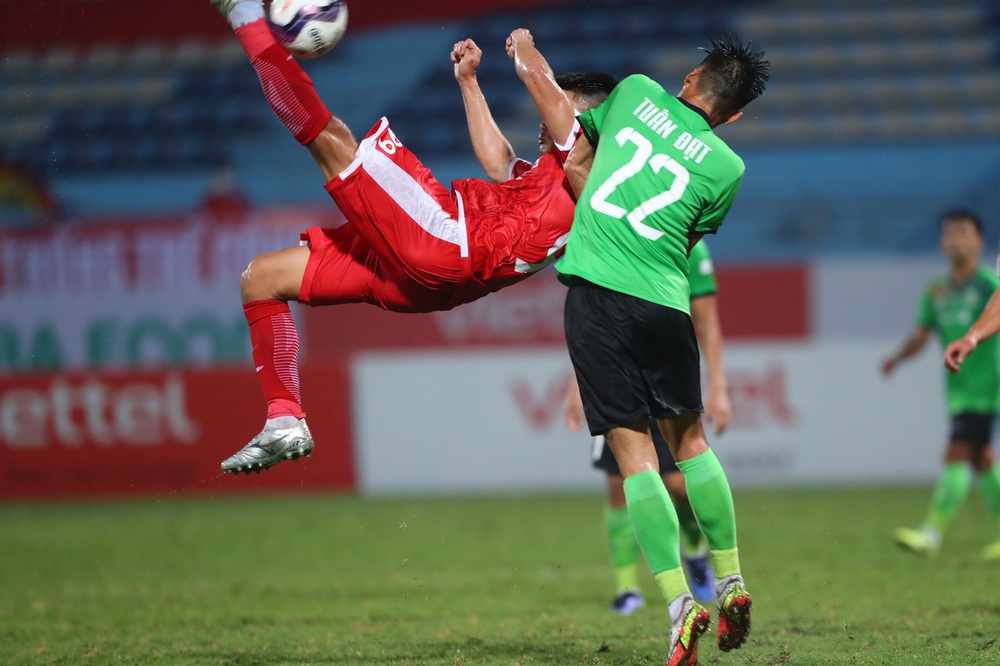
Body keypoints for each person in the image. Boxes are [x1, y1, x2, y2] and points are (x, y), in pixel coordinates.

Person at [209, 1, 617, 475]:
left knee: (327, 137)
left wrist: (523, 45)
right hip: (434, 280)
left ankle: (241, 15)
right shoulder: (554, 185)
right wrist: (469, 83)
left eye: (561, 110)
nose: (546, 123)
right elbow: (498, 163)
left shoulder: (587, 170)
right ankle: (284, 418)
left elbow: (540, 83)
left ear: (587, 122)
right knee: (260, 279)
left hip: (447, 242)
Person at [557, 36, 768, 664]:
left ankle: (680, 604)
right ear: (733, 115)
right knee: (692, 444)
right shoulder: (730, 168)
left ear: (691, 76)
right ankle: (730, 579)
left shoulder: (636, 91)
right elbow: (688, 234)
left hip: (598, 294)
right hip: (666, 303)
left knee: (634, 459)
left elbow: (571, 153)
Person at [564, 239, 730, 615]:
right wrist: (578, 385)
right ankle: (627, 588)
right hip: (617, 373)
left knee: (678, 487)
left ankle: (694, 548)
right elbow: (594, 318)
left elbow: (707, 322)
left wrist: (718, 386)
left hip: (663, 373)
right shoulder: (609, 231)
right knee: (618, 483)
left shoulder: (690, 245)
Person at [883, 209, 1000, 561]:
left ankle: (931, 533)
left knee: (957, 453)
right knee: (981, 460)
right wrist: (898, 358)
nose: (956, 238)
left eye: (964, 231)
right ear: (941, 242)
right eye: (950, 232)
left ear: (979, 241)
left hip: (986, 386)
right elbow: (922, 334)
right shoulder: (936, 288)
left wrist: (972, 339)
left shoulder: (988, 285)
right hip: (957, 388)